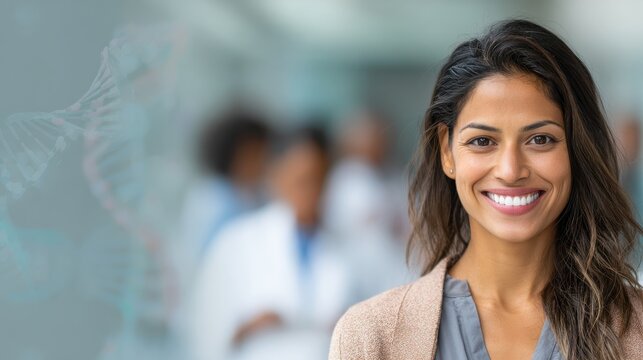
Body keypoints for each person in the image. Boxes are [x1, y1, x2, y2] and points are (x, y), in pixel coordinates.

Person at [329, 19, 643, 360]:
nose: (510, 170)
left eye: (540, 139)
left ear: (577, 150)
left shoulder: (635, 328)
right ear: (447, 152)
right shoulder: (372, 336)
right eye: (482, 141)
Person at [189, 125, 351, 360]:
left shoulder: (349, 246)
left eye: (319, 180)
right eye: (301, 180)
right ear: (277, 177)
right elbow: (206, 329)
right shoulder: (236, 242)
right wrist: (249, 325)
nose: (311, 192)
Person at [323, 111, 412, 301]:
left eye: (380, 137)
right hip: (356, 270)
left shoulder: (395, 176)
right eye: (370, 137)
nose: (377, 143)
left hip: (394, 271)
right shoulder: (345, 177)